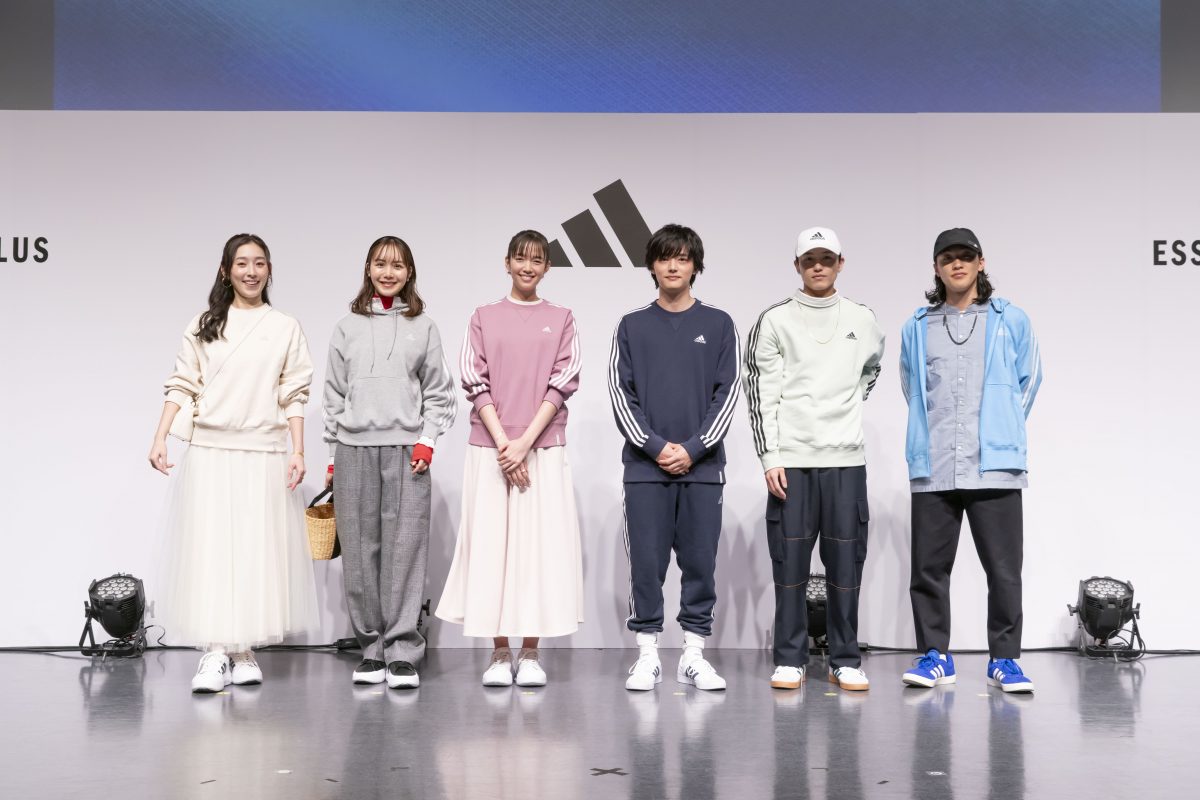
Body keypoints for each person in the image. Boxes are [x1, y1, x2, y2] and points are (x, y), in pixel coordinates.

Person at [148, 233, 317, 693]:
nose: (251, 271)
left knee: (254, 551)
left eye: (259, 263)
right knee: (212, 550)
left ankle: (243, 650)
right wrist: (160, 436)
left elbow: (294, 392)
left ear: (269, 270)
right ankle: (215, 652)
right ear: (226, 271)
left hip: (263, 451)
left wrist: (298, 450)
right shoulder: (204, 325)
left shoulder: (284, 327)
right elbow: (182, 382)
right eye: (242, 263)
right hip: (210, 451)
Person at [435, 230, 584, 687]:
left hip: (542, 448)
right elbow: (473, 380)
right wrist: (506, 444)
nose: (528, 267)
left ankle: (531, 652)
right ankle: (500, 652)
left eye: (537, 260)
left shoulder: (562, 318)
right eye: (521, 258)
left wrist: (524, 443)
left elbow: (564, 381)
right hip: (490, 449)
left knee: (537, 549)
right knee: (491, 548)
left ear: (547, 268)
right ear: (507, 263)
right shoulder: (483, 316)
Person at [900, 227, 1042, 694]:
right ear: (936, 268)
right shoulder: (917, 326)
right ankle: (935, 656)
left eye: (966, 256)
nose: (957, 264)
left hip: (995, 466)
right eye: (948, 258)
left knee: (1003, 571)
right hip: (934, 465)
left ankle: (1005, 660)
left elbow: (1029, 380)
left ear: (981, 263)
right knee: (928, 570)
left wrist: (1003, 429)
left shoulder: (1011, 319)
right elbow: (913, 388)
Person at [744, 226, 885, 692]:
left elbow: (872, 368)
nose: (818, 266)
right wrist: (770, 456)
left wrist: (846, 402)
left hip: (846, 461)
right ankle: (790, 658)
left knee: (846, 567)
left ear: (841, 263)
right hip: (792, 462)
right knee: (790, 566)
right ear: (797, 266)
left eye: (826, 258)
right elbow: (761, 393)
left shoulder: (862, 318)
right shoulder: (774, 320)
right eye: (809, 260)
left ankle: (845, 659)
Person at [609, 223, 740, 692]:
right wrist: (656, 447)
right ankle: (647, 655)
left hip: (703, 471)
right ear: (652, 265)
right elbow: (621, 394)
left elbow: (728, 393)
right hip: (645, 471)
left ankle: (693, 655)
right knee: (646, 564)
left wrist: (694, 449)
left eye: (682, 258)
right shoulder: (631, 325)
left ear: (695, 267)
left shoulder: (719, 324)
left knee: (700, 563)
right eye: (665, 258)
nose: (673, 266)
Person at [322, 236, 457, 689]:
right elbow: (333, 395)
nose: (388, 272)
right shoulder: (346, 327)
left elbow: (439, 392)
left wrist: (428, 440)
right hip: (353, 449)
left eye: (397, 266)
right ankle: (372, 649)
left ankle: (402, 650)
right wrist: (331, 458)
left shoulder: (424, 327)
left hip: (406, 451)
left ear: (409, 273)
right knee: (360, 553)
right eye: (380, 264)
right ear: (368, 268)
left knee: (405, 550)